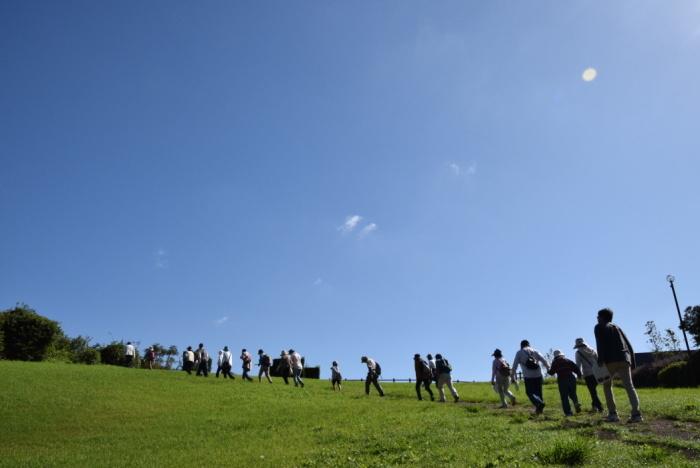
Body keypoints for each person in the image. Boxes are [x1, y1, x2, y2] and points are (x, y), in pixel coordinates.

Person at [594, 308, 643, 423]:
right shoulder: (618, 328)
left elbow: (600, 343)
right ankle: (636, 414)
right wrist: (633, 362)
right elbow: (629, 344)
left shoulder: (599, 327)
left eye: (598, 316)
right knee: (629, 386)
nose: (596, 318)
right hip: (624, 359)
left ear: (602, 317)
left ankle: (613, 414)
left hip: (610, 360)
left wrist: (600, 359)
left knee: (607, 386)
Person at [511, 340, 549, 414]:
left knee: (529, 392)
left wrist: (512, 377)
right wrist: (548, 368)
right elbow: (544, 360)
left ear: (521, 346)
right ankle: (539, 410)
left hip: (528, 376)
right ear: (529, 345)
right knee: (539, 392)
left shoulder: (519, 352)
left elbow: (514, 366)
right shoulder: (535, 351)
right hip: (538, 375)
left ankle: (539, 403)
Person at [548, 350, 582, 416]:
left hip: (562, 379)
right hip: (571, 378)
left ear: (555, 356)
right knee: (573, 393)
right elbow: (576, 368)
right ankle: (576, 403)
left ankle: (568, 412)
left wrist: (548, 370)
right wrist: (579, 375)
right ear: (562, 355)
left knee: (564, 397)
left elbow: (551, 372)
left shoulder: (555, 362)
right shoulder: (568, 360)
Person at [573, 338, 604, 412]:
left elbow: (578, 364)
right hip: (596, 372)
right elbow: (598, 360)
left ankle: (600, 407)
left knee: (592, 391)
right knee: (594, 390)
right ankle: (594, 406)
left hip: (588, 374)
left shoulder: (578, 352)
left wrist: (578, 374)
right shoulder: (592, 350)